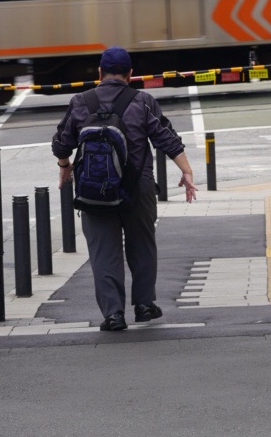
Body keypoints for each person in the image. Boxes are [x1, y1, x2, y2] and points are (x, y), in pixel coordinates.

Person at [52, 46, 197, 333]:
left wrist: (65, 164)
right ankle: (144, 305)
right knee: (142, 245)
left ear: (99, 73)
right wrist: (187, 171)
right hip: (137, 186)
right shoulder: (142, 101)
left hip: (93, 189)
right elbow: (166, 138)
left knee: (103, 252)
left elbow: (61, 143)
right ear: (131, 74)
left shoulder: (81, 101)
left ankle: (113, 315)